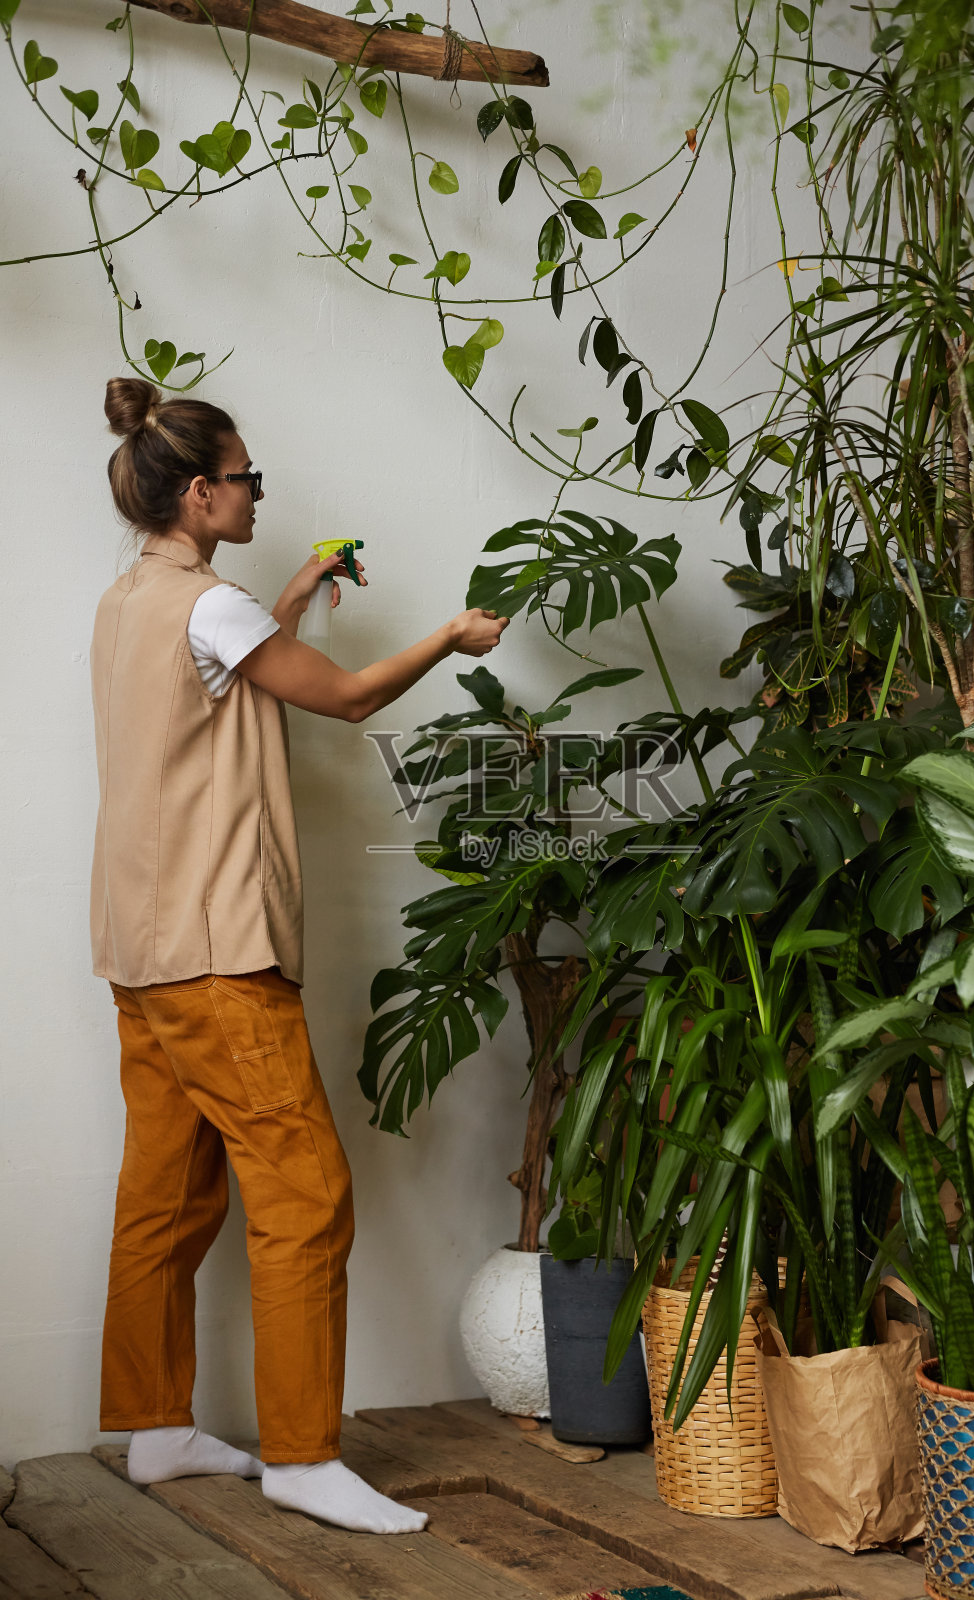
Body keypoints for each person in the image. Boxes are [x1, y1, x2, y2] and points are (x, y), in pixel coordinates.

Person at [91, 377, 508, 1534]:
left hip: (142, 948)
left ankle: (156, 1426)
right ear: (198, 491)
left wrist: (293, 593)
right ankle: (303, 1455)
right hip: (220, 949)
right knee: (306, 1192)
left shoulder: (131, 600)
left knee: (164, 1193)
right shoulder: (209, 608)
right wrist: (449, 635)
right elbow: (352, 696)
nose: (259, 489)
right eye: (247, 476)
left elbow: (220, 669)